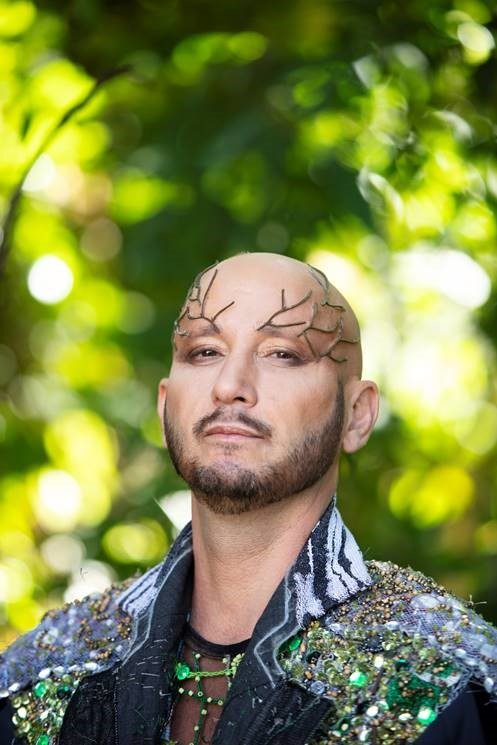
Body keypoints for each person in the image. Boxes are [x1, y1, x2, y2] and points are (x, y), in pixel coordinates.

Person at [0, 252, 496, 745]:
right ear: (165, 403)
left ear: (357, 415)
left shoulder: (440, 680)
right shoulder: (49, 670)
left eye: (282, 354)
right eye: (205, 352)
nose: (230, 385)